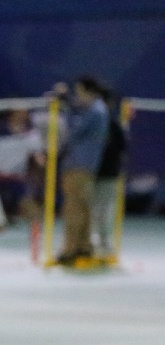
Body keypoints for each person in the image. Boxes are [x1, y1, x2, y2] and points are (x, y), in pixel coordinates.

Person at [54, 76, 110, 265]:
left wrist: (64, 109)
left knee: (73, 207)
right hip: (85, 165)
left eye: (78, 93)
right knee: (83, 206)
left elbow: (73, 131)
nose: (77, 97)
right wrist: (69, 103)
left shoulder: (95, 111)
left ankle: (70, 248)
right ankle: (84, 246)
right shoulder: (97, 109)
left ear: (89, 92)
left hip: (78, 165)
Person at [91, 89, 125, 258]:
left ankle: (104, 241)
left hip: (109, 174)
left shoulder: (114, 127)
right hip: (89, 173)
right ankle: (91, 241)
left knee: (105, 210)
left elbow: (122, 149)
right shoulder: (90, 124)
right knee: (90, 209)